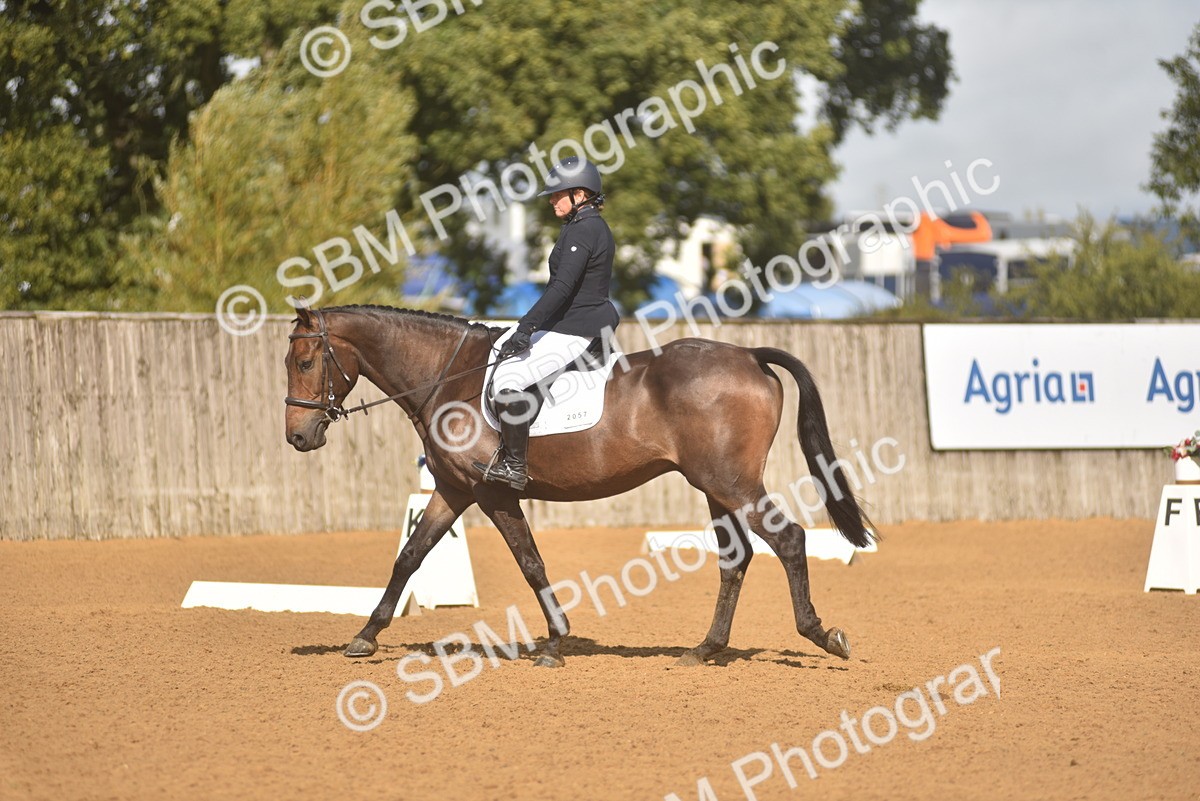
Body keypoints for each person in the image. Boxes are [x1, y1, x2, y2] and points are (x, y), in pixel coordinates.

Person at [474, 156, 619, 490]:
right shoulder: (582, 226)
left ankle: (515, 467)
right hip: (573, 323)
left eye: (557, 194)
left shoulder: (583, 229)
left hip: (576, 328)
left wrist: (526, 327)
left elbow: (562, 288)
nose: (551, 199)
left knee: (507, 381)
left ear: (579, 194)